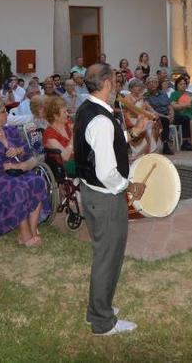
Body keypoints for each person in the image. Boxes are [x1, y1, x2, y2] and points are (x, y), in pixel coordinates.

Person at [73, 63, 143, 336]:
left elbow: (104, 143)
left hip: (94, 194)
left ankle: (99, 308)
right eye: (114, 80)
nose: (117, 85)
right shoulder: (101, 119)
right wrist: (129, 186)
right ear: (104, 83)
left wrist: (134, 131)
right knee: (107, 257)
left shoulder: (88, 109)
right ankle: (102, 321)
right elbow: (106, 172)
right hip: (105, 197)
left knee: (107, 254)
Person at [0, 90, 50, 247]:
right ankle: (24, 233)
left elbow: (27, 151)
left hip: (16, 171)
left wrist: (18, 151)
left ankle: (33, 230)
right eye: (3, 111)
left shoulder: (10, 130)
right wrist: (7, 164)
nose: (6, 114)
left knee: (38, 181)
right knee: (18, 187)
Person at [41, 95, 77, 177]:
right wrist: (73, 136)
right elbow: (65, 157)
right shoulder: (49, 134)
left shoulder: (68, 124)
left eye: (67, 111)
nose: (67, 114)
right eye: (64, 112)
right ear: (55, 116)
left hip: (79, 158)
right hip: (65, 166)